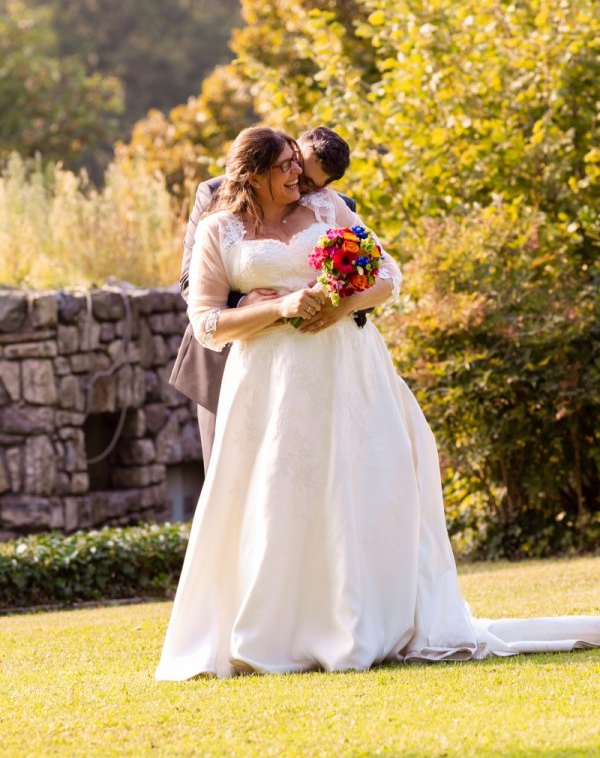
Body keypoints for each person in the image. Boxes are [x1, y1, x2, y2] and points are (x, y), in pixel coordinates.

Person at [156, 126, 600, 681]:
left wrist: (340, 308)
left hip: (347, 368)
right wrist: (280, 306)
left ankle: (362, 620)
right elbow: (206, 322)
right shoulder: (219, 229)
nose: (300, 174)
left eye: (299, 162)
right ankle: (274, 631)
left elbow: (387, 273)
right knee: (277, 494)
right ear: (253, 172)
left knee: (355, 487)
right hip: (266, 384)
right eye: (286, 166)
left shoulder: (328, 207)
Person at [169, 126, 355, 472]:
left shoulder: (331, 208)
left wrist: (334, 303)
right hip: (224, 359)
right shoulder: (212, 194)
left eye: (313, 185)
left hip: (313, 363)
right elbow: (189, 283)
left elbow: (366, 277)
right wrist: (247, 303)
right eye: (294, 167)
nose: (301, 187)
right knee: (229, 478)